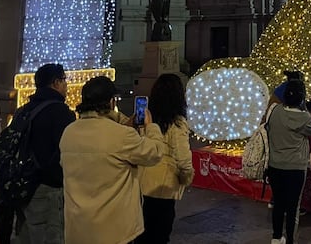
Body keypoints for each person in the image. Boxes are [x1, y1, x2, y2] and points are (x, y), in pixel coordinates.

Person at [60, 75, 165, 244]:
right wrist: (151, 127)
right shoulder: (122, 136)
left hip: (78, 228)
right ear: (111, 102)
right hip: (114, 232)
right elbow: (155, 153)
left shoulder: (69, 132)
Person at [16, 63, 76, 244]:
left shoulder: (23, 111)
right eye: (65, 80)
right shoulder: (61, 112)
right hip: (49, 187)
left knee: (28, 235)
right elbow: (66, 150)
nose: (66, 85)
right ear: (56, 82)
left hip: (24, 184)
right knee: (52, 235)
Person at [136, 73, 194, 244]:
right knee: (160, 234)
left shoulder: (147, 119)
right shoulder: (176, 123)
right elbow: (183, 157)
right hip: (164, 185)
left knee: (143, 233)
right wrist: (187, 175)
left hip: (142, 183)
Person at [266, 79, 311, 244]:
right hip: (295, 168)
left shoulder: (274, 111)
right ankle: (290, 240)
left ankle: (275, 238)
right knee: (293, 207)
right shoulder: (304, 118)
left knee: (279, 204)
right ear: (302, 98)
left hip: (275, 166)